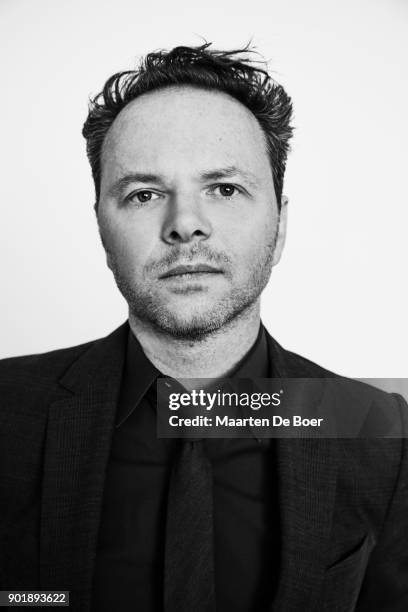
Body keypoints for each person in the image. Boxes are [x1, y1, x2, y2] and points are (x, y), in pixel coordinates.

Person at [0, 43, 407, 612]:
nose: (186, 225)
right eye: (144, 194)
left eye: (224, 188)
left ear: (281, 224)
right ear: (100, 225)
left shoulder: (382, 439)